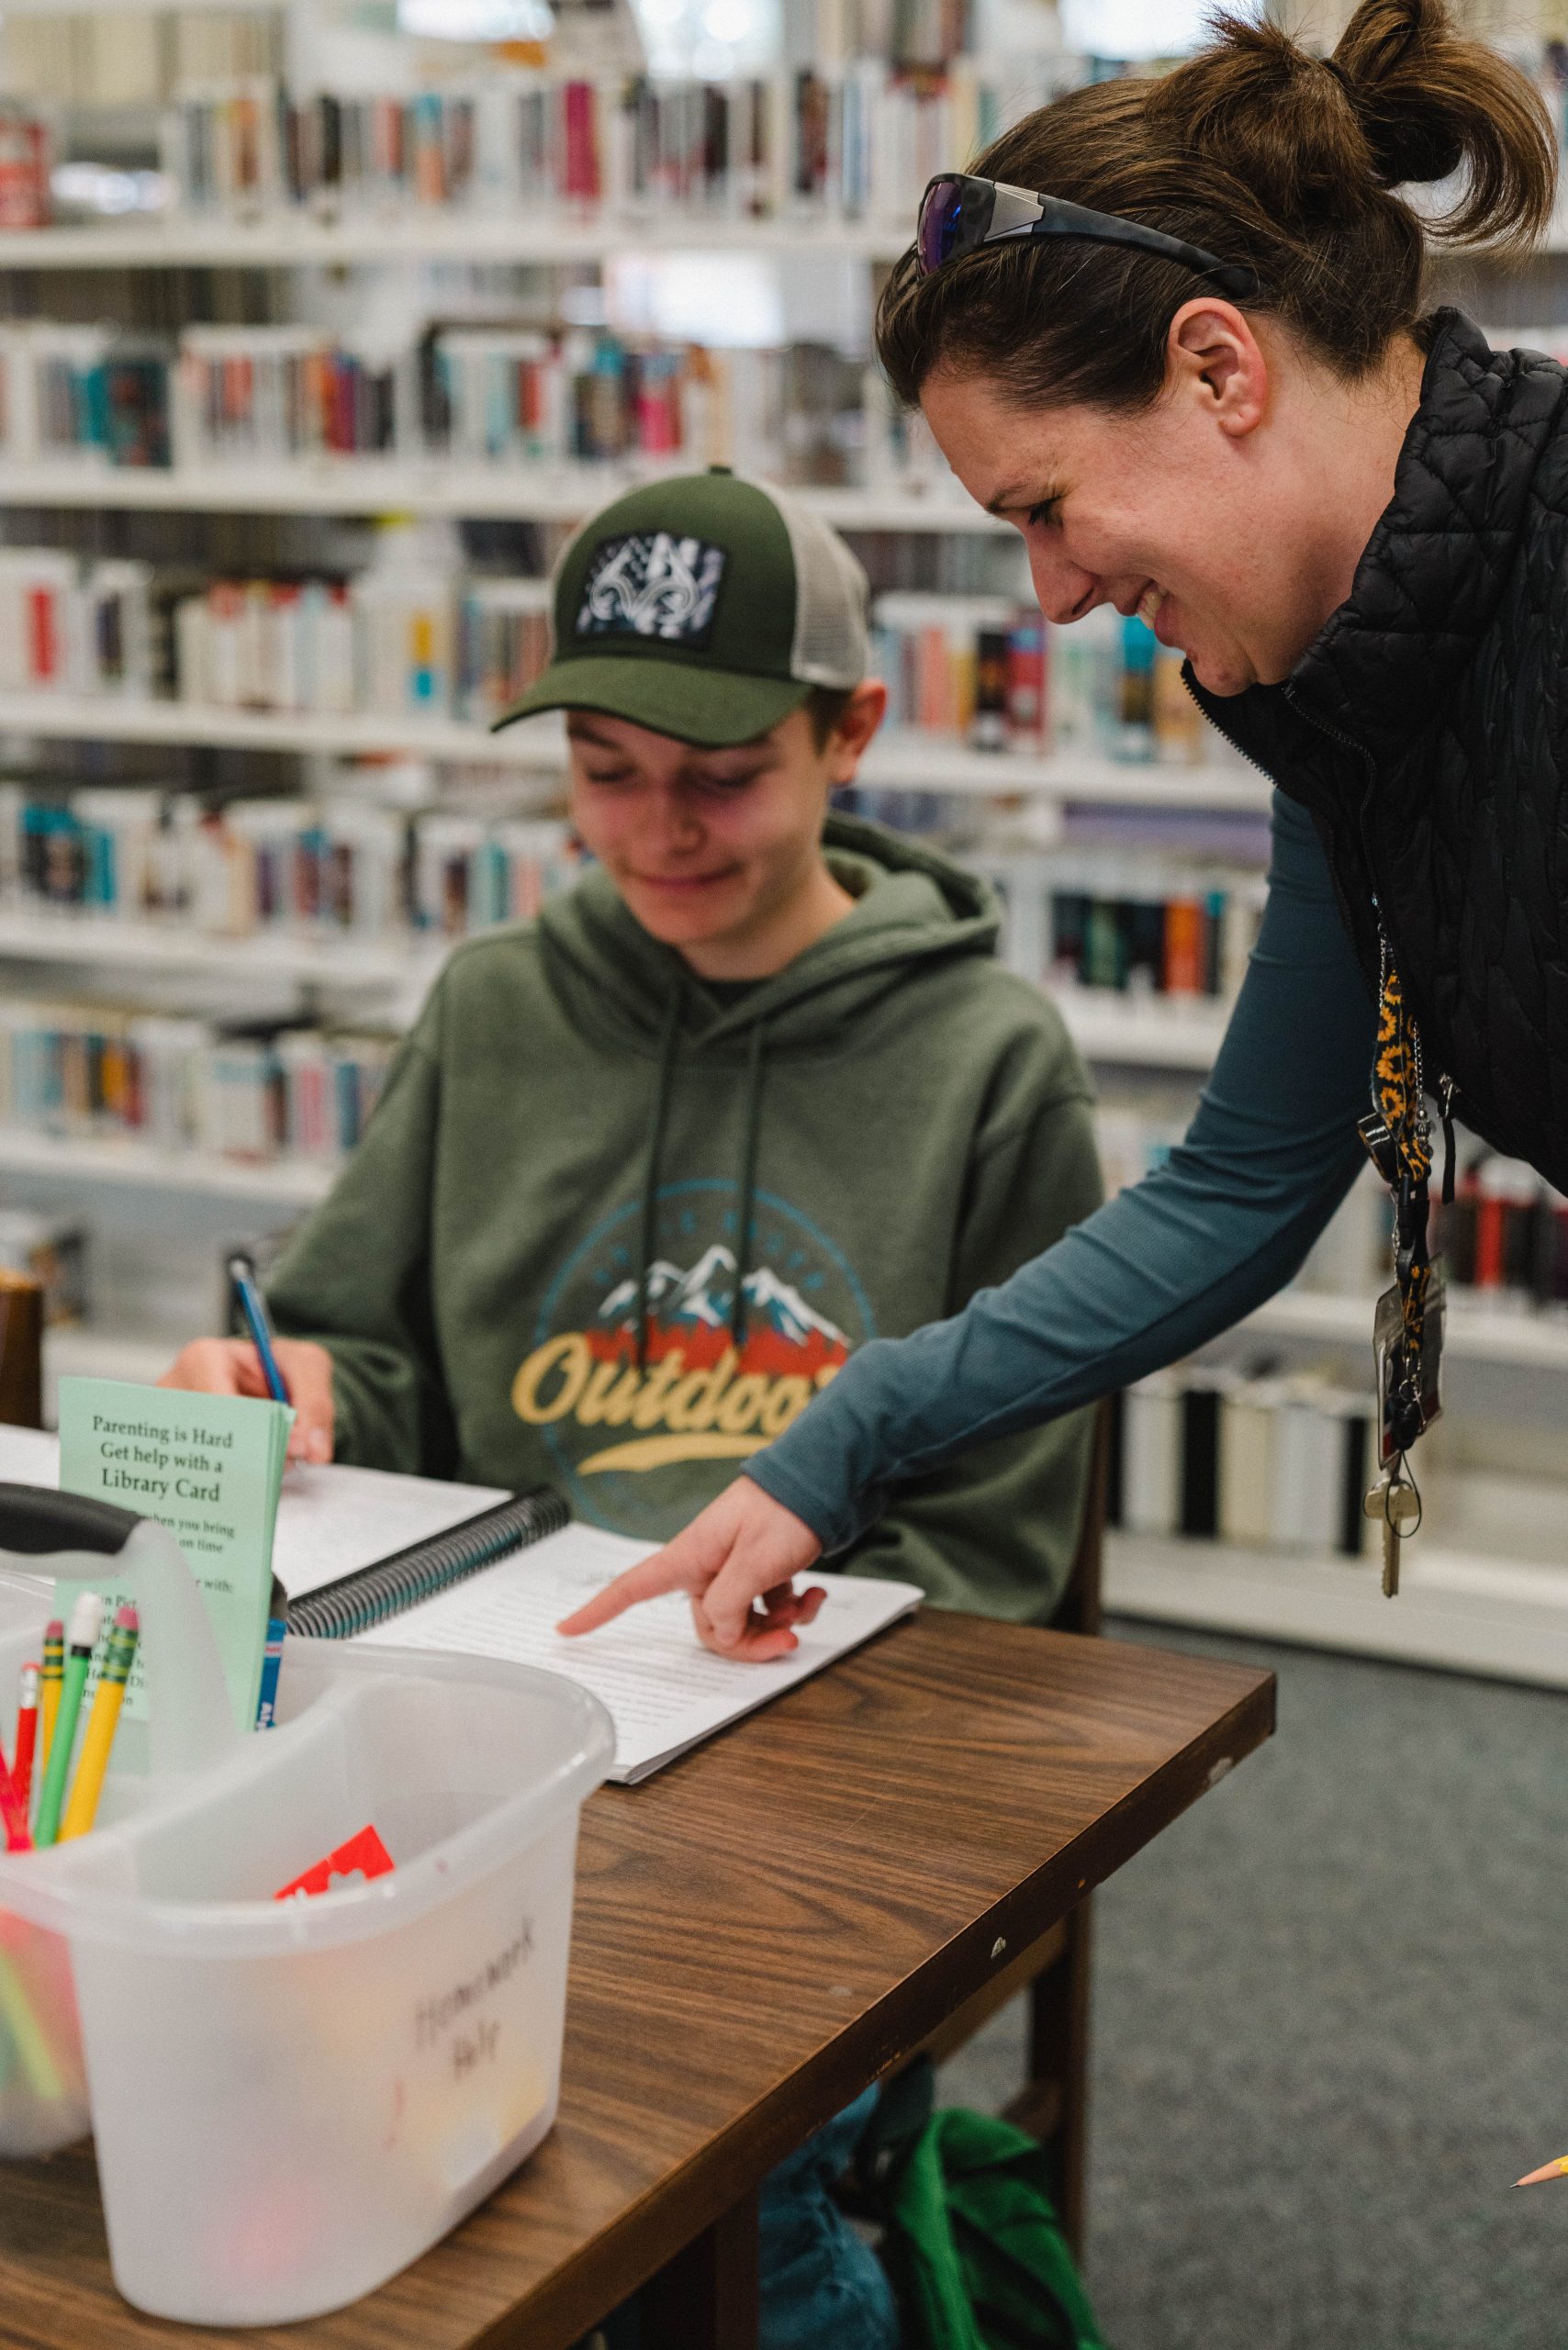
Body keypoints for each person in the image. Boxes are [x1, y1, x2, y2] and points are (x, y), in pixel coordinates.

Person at [160, 466, 1106, 2348]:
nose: (655, 830)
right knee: (224, 2024)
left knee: (659, 2159)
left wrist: (765, 1641)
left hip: (808, 1760)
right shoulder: (500, 1001)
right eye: (603, 770)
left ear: (847, 732)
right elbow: (376, 1345)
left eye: (719, 773)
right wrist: (303, 1379)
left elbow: (989, 1547)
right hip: (474, 1712)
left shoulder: (984, 1063)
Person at [560, 0, 1568, 1662]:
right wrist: (842, 1445)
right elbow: (1243, 1186)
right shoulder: (1349, 705)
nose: (1056, 592)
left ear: (1216, 366)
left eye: (1042, 505)